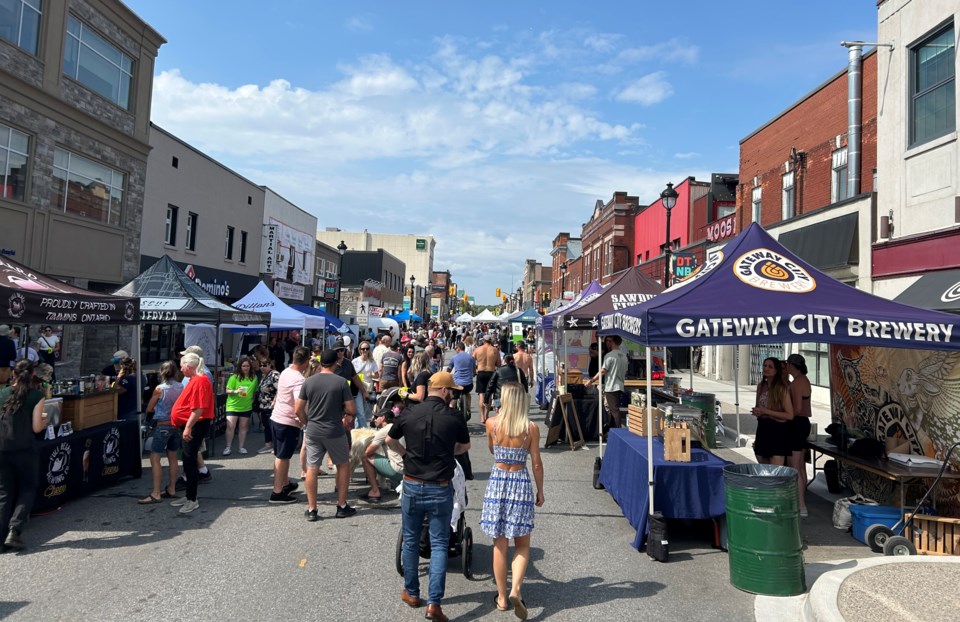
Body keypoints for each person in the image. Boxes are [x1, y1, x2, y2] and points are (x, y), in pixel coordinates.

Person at [386, 371, 471, 622]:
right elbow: (465, 446)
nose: (453, 394)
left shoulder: (410, 412)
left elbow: (391, 439)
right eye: (452, 391)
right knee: (439, 544)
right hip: (439, 485)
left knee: (411, 540)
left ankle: (412, 593)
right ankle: (434, 603)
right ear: (444, 391)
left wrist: (404, 454)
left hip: (412, 482)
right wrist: (447, 451)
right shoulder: (454, 416)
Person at [480, 382, 545, 620]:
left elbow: (491, 450)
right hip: (520, 480)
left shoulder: (492, 424)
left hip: (498, 481)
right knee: (522, 543)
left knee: (500, 543)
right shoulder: (531, 428)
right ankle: (516, 589)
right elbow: (536, 463)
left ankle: (501, 597)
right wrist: (540, 491)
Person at [295, 349, 358, 521]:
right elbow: (352, 409)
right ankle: (342, 505)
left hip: (314, 429)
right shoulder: (341, 382)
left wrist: (307, 422)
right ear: (336, 363)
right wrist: (345, 412)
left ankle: (312, 508)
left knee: (312, 468)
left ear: (321, 362)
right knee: (343, 464)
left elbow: (298, 409)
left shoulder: (309, 381)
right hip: (334, 430)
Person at [0, 360, 46, 550]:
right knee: (27, 488)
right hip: (25, 448)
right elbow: (36, 427)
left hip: (2, 447)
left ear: (14, 374)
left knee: (4, 492)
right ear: (33, 374)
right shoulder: (36, 395)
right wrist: (46, 420)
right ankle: (15, 530)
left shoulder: (2, 393)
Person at [169, 352, 215, 514]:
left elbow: (199, 408)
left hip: (196, 424)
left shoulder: (200, 380)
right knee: (188, 460)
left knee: (189, 460)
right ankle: (189, 495)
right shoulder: (196, 379)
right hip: (192, 423)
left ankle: (192, 499)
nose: (180, 368)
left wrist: (188, 427)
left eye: (182, 365)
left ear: (189, 367)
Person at [268, 346, 310, 504]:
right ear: (305, 362)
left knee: (280, 455)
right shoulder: (299, 379)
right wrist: (305, 421)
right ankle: (277, 492)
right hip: (287, 421)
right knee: (283, 457)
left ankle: (284, 484)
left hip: (277, 417)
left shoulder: (286, 371)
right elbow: (298, 406)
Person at [138, 361, 183, 504]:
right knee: (173, 457)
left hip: (163, 424)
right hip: (175, 424)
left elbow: (150, 407)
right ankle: (172, 488)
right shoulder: (181, 386)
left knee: (155, 457)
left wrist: (149, 417)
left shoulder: (160, 388)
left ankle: (156, 492)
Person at [360, 394, 406, 501]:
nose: (375, 420)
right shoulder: (399, 426)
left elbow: (368, 452)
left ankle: (375, 491)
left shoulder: (384, 430)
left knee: (365, 457)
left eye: (377, 417)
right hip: (410, 469)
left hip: (398, 471)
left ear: (383, 418)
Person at [752, 357, 795, 466]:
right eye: (765, 366)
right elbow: (758, 405)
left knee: (775, 467)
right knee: (763, 463)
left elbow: (790, 415)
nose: (766, 369)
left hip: (777, 429)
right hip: (763, 427)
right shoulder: (761, 386)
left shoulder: (781, 388)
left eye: (770, 367)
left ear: (776, 370)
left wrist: (766, 411)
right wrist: (757, 411)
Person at [785, 353, 812, 517]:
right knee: (800, 466)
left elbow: (797, 409)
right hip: (803, 424)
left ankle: (801, 505)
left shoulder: (797, 382)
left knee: (795, 466)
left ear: (791, 365)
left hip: (797, 423)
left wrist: (781, 415)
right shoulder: (803, 380)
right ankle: (802, 501)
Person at [585, 335, 628, 431]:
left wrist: (591, 380)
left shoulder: (609, 356)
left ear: (612, 342)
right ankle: (613, 429)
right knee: (614, 408)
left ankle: (618, 431)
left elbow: (603, 371)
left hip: (611, 386)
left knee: (613, 410)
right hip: (620, 385)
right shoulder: (624, 356)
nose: (608, 343)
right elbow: (625, 371)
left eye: (610, 341)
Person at [223, 356, 257, 456]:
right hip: (233, 406)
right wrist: (236, 391)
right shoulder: (234, 377)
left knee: (243, 427)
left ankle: (241, 447)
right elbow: (227, 390)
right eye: (243, 366)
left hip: (246, 406)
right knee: (231, 426)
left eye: (247, 366)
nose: (246, 368)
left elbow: (255, 390)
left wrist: (252, 399)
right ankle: (228, 447)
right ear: (240, 367)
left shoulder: (253, 377)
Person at [473, 335, 501, 423]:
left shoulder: (477, 349)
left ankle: (482, 416)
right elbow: (499, 364)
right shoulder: (495, 350)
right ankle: (487, 414)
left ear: (483, 340)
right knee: (489, 395)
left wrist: (474, 371)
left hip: (481, 373)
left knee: (481, 394)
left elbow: (472, 361)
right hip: (491, 373)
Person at [352, 340, 378, 428]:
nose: (365, 351)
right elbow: (351, 374)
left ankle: (357, 430)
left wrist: (372, 375)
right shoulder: (355, 361)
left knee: (364, 412)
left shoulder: (372, 362)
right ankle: (364, 430)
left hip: (368, 388)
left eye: (367, 348)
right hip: (357, 388)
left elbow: (377, 374)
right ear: (360, 350)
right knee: (360, 411)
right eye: (363, 349)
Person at [256, 358, 280, 455]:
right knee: (266, 426)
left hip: (272, 406)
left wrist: (275, 401)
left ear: (270, 365)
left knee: (272, 426)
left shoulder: (275, 374)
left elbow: (280, 389)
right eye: (261, 365)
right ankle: (268, 445)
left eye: (264, 365)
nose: (262, 367)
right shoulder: (264, 375)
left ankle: (275, 446)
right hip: (264, 405)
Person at [447, 342, 476, 414]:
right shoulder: (471, 357)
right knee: (467, 393)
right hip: (468, 384)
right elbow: (474, 370)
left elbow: (449, 369)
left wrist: (447, 373)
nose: (455, 350)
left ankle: (450, 410)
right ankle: (468, 408)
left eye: (456, 348)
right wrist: (474, 374)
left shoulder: (454, 357)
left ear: (458, 349)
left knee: (455, 397)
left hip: (457, 384)